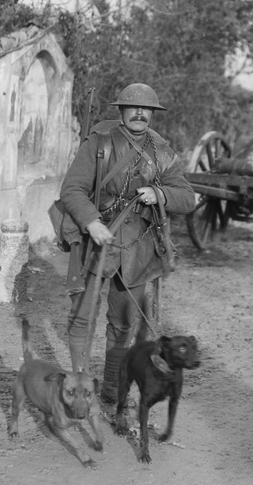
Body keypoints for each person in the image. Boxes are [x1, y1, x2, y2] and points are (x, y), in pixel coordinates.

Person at [58, 83, 196, 403]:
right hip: (96, 242)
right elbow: (72, 189)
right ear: (121, 111)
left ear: (152, 114)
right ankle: (78, 385)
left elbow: (187, 197)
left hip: (137, 248)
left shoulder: (162, 151)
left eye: (145, 109)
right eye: (132, 108)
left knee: (123, 325)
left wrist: (160, 194)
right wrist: (91, 222)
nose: (139, 113)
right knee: (82, 316)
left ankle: (110, 389)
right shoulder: (100, 142)